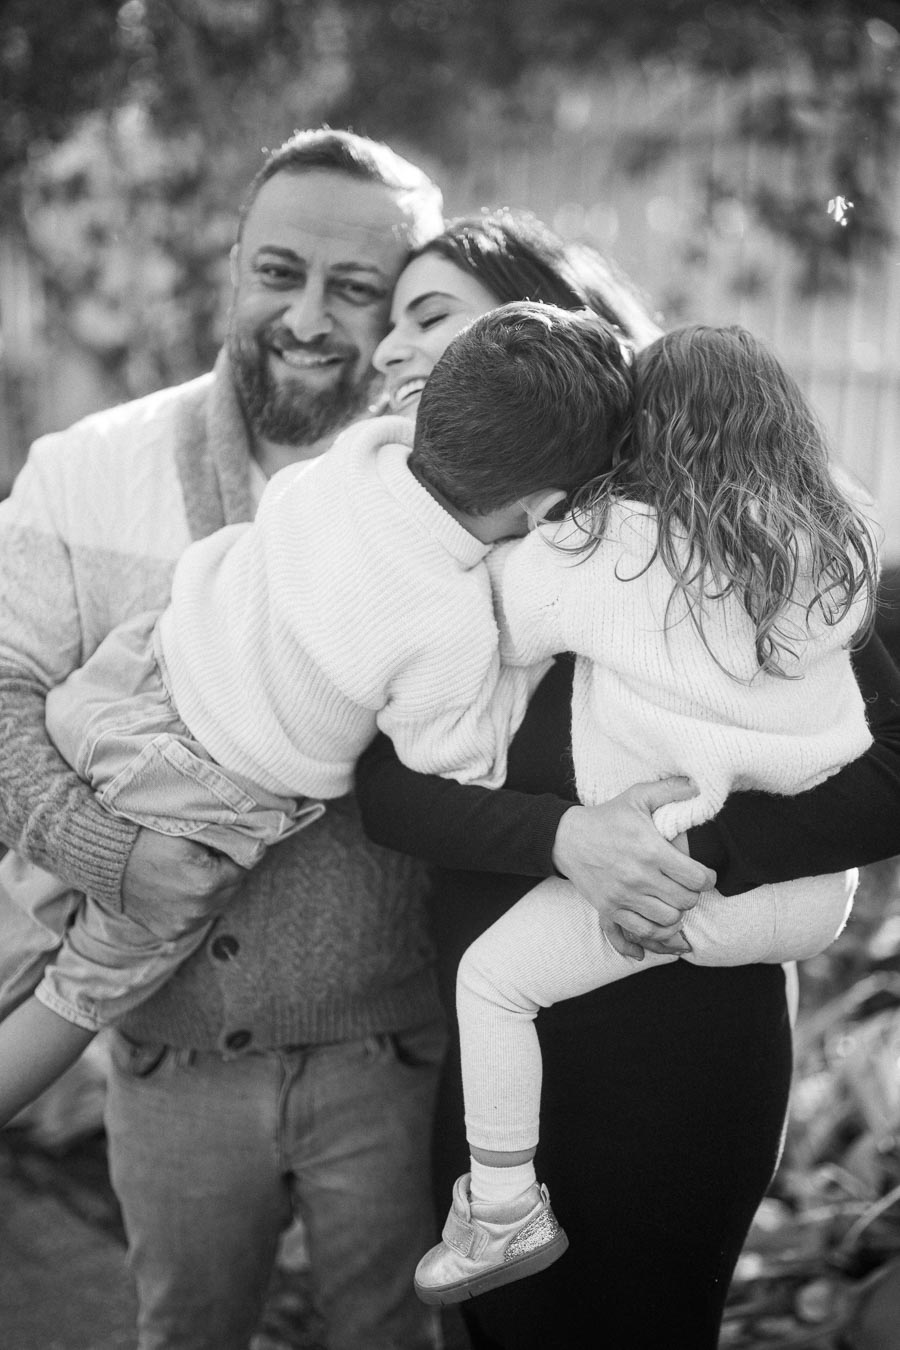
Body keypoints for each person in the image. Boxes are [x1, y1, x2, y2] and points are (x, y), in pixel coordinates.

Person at [352, 213, 900, 1349]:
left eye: (438, 324)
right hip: (512, 1063)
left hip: (689, 1062)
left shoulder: (761, 543)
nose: (402, 354)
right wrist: (564, 840)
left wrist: (694, 854)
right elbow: (387, 792)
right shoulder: (458, 546)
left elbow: (891, 772)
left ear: (562, 341)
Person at [0, 126, 458, 1350]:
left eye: (355, 289)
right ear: (235, 265)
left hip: (396, 1060)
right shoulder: (85, 470)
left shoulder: (444, 499)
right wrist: (111, 853)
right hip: (170, 1070)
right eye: (279, 272)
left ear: (404, 311)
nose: (309, 317)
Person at [0, 303, 634, 1124]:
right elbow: (459, 756)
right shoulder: (450, 621)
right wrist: (520, 663)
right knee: (91, 977)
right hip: (200, 786)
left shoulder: (358, 456)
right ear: (544, 511)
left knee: (27, 895)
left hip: (132, 671)